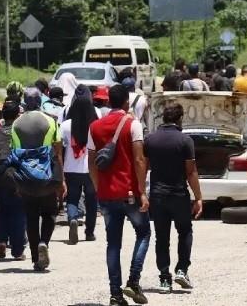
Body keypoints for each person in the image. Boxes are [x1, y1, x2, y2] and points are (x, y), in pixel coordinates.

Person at [88, 84, 150, 306]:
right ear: (125, 102)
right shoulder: (132, 124)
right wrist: (142, 191)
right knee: (143, 233)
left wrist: (98, 188)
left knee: (113, 244)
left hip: (107, 195)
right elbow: (139, 160)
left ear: (107, 102)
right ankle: (133, 280)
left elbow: (91, 163)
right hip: (130, 192)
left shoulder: (94, 127)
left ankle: (115, 294)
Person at [143, 103, 202, 294]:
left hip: (158, 196)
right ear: (179, 119)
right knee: (185, 231)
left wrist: (141, 192)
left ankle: (164, 279)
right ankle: (182, 270)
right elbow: (191, 172)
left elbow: (143, 168)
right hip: (178, 194)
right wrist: (198, 197)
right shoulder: (185, 141)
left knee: (161, 237)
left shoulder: (150, 140)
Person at [11, 88, 65, 271]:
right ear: (40, 101)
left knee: (31, 217)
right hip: (47, 177)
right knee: (50, 214)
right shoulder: (51, 121)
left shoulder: (16, 124)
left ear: (25, 102)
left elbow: (16, 155)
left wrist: (17, 184)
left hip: (26, 179)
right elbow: (57, 152)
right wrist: (61, 179)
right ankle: (44, 242)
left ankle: (35, 257)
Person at [0, 101, 26, 260]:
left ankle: (2, 239)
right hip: (18, 176)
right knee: (18, 212)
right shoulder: (22, 133)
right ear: (18, 115)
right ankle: (17, 250)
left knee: (1, 210)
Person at [60, 91, 99, 245]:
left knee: (72, 199)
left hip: (71, 168)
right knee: (91, 201)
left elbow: (60, 148)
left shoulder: (65, 126)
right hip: (91, 169)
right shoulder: (95, 126)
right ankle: (89, 232)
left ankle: (73, 219)